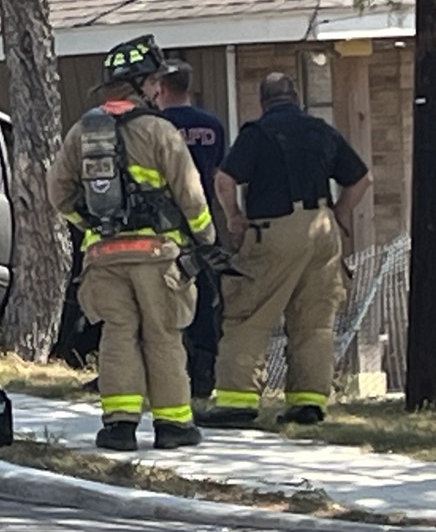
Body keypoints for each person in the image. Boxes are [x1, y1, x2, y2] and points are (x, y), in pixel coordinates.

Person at [49, 34, 217, 452]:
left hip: (103, 257)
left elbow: (57, 192)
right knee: (162, 334)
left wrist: (86, 222)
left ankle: (119, 427)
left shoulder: (82, 132)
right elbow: (191, 196)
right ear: (143, 85)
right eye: (156, 82)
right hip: (158, 258)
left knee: (117, 335)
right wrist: (206, 239)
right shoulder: (159, 131)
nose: (160, 88)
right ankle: (173, 425)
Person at [197, 73, 371, 429]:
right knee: (314, 320)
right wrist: (339, 214)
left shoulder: (257, 134)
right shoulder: (322, 131)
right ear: (296, 98)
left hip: (273, 229)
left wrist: (234, 219)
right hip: (323, 230)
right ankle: (309, 403)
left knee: (249, 312)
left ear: (264, 102)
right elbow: (361, 179)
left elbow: (225, 180)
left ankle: (237, 402)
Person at [155, 60, 227, 399]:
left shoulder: (157, 125)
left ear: (162, 88)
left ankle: (163, 373)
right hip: (203, 224)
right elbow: (218, 175)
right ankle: (203, 375)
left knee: (159, 301)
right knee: (202, 301)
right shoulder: (212, 126)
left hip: (162, 228)